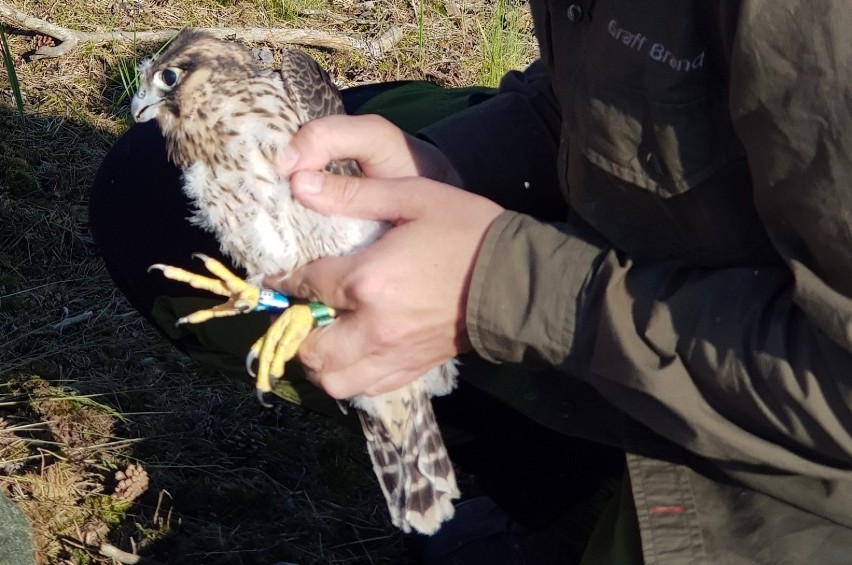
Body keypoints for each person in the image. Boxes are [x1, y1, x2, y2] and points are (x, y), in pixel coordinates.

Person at [90, 1, 852, 563]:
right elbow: (596, 94)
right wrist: (440, 171)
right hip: (654, 255)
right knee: (152, 205)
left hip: (803, 441)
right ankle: (533, 468)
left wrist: (492, 288)